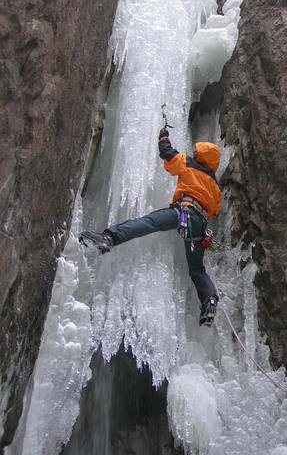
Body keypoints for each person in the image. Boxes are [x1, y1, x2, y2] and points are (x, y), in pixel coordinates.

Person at [79, 127, 222, 326]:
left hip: (182, 211)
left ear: (201, 155)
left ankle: (109, 237)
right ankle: (209, 300)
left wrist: (163, 135)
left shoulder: (190, 164)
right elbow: (215, 211)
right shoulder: (215, 186)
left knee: (148, 222)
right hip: (198, 224)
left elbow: (167, 153)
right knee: (197, 269)